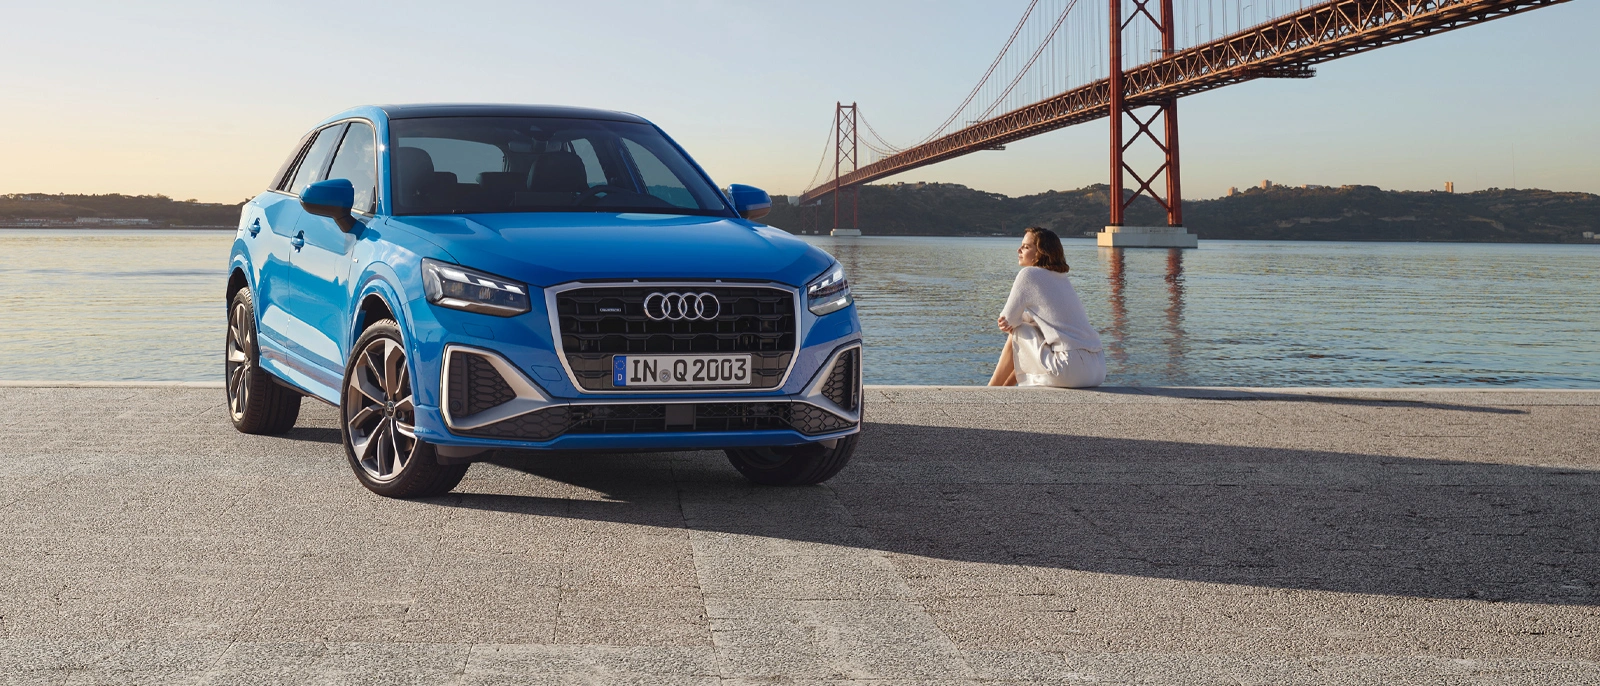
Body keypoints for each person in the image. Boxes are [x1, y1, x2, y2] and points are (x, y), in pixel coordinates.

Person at [988, 227, 1106, 388]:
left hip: (1070, 369)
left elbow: (1008, 320)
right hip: (1098, 369)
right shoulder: (1062, 278)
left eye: (1026, 247)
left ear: (1040, 253)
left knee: (1019, 330)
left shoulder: (1028, 274)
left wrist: (1013, 322)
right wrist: (1023, 320)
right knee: (1032, 328)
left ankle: (991, 389)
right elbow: (1050, 318)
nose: (1018, 250)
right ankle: (1003, 389)